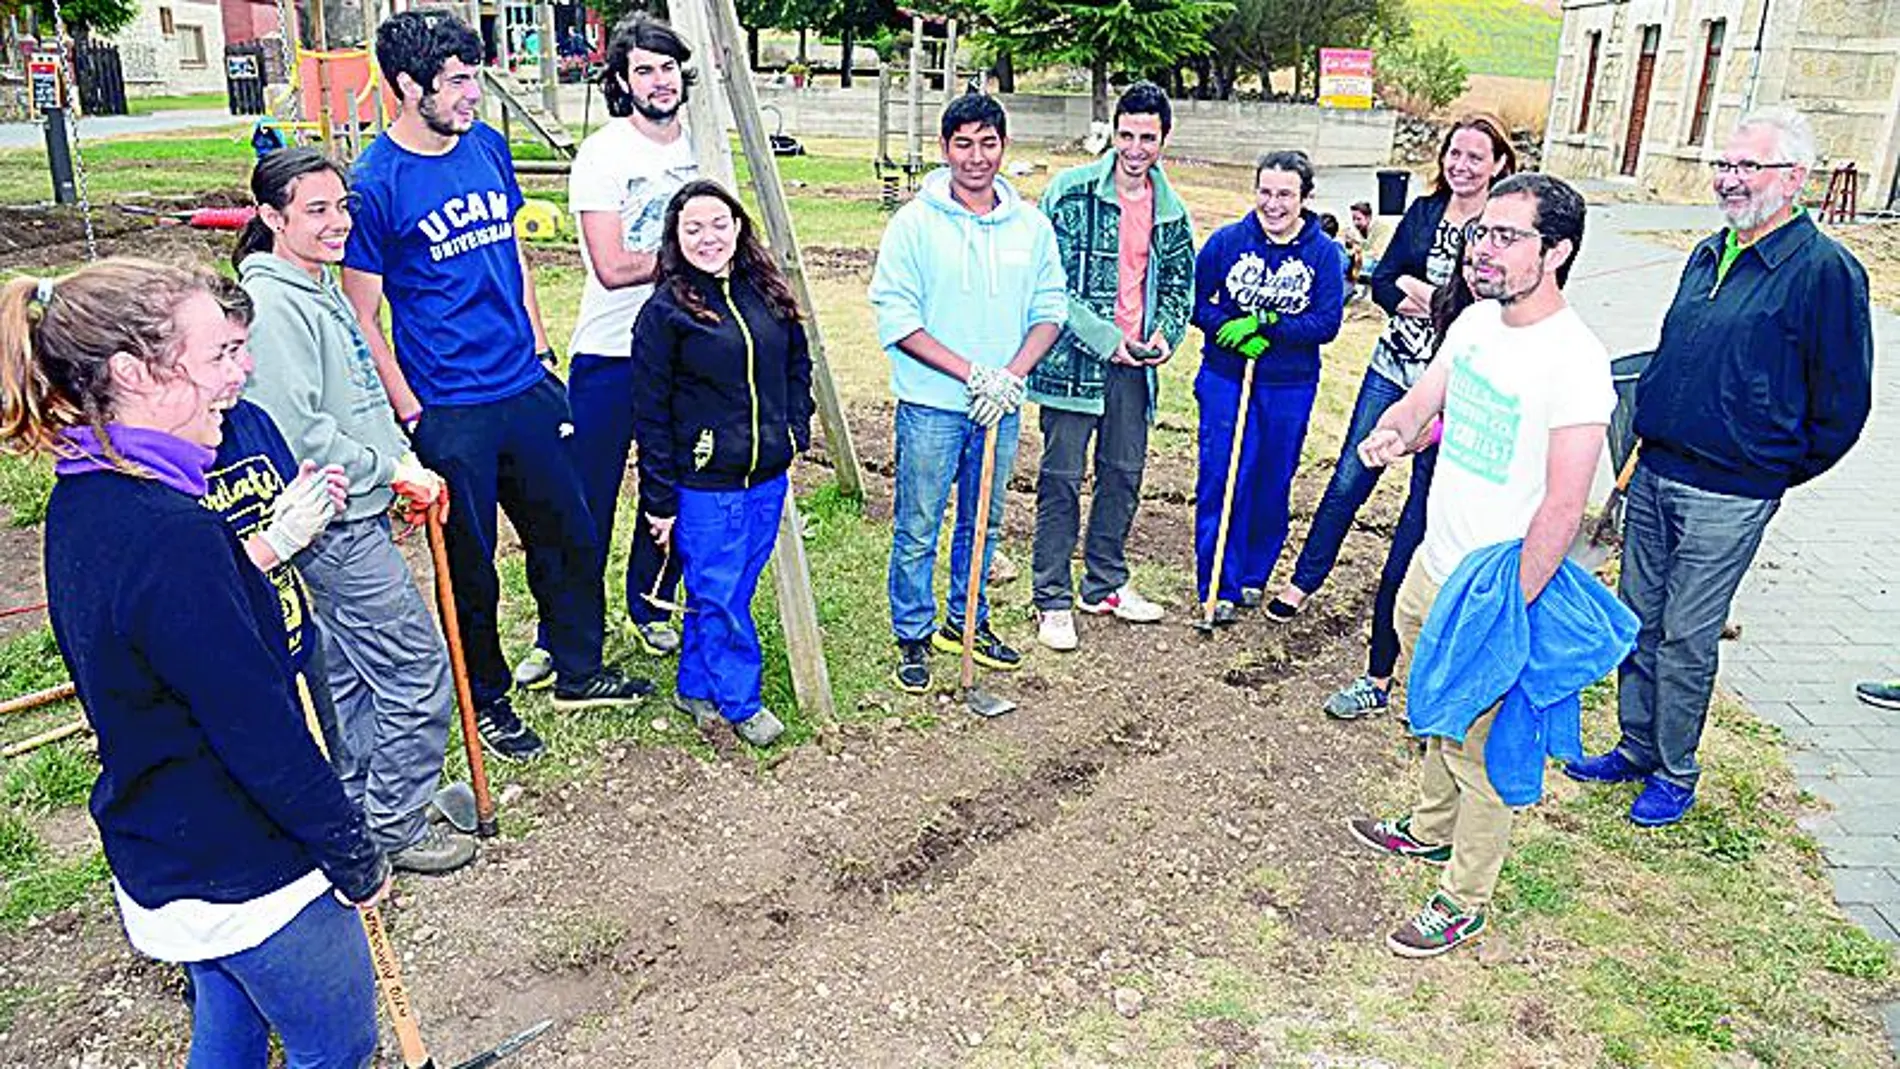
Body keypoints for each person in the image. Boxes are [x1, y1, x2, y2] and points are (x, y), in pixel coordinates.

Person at [2, 259, 388, 1065]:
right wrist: (351, 850)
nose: (241, 372)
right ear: (134, 373)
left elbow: (175, 648)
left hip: (166, 842)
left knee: (233, 1022)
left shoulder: (91, 492)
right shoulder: (170, 532)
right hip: (246, 866)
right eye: (218, 355)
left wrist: (266, 548)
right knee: (338, 1049)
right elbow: (257, 728)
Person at [343, 11, 651, 766]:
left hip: (525, 383)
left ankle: (579, 669)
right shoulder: (377, 184)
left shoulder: (486, 145)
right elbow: (361, 315)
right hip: (448, 406)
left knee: (571, 534)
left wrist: (540, 348)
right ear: (409, 86)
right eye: (456, 81)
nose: (473, 93)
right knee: (471, 567)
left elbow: (511, 248)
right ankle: (488, 701)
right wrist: (410, 409)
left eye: (474, 76)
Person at [1566, 108, 1873, 826]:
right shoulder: (1710, 249)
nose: (1730, 180)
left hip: (1730, 492)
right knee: (1638, 619)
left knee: (1687, 635)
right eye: (1725, 165)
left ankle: (1675, 771)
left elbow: (1843, 403)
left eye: (1748, 167)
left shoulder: (1825, 271)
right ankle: (1636, 745)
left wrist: (1767, 466)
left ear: (1794, 179)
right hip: (1655, 472)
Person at [1347, 174, 1614, 957]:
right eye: (1481, 233)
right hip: (1436, 564)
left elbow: (1566, 507)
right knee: (1433, 703)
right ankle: (1430, 828)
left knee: (1484, 749)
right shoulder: (1472, 328)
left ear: (1556, 251)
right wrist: (1394, 433)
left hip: (1498, 587)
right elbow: (1422, 402)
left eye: (1506, 236)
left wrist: (1513, 609)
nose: (1481, 249)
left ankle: (1464, 897)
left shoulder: (1576, 361)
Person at [232, 147, 475, 875]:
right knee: (413, 667)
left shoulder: (318, 286)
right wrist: (386, 466)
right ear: (273, 218)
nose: (337, 223)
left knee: (354, 671)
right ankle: (396, 826)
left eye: (342, 207)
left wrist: (392, 463)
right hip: (331, 522)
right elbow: (300, 432)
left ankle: (366, 804)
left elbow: (348, 402)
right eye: (316, 210)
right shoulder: (275, 305)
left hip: (357, 505)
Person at [1269, 115, 1516, 720]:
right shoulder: (1425, 211)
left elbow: (1478, 307)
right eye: (1454, 153)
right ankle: (1305, 579)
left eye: (1475, 157)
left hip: (1456, 388)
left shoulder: (1502, 230)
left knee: (1421, 513)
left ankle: (1386, 662)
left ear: (1499, 165)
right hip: (1393, 368)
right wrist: (1432, 296)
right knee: (1351, 476)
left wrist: (1431, 297)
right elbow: (1380, 282)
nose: (1461, 165)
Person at [519, 12, 698, 690]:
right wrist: (693, 254)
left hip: (686, 349)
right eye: (643, 70)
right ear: (623, 82)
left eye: (667, 66)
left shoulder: (706, 147)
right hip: (610, 353)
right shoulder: (605, 152)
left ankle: (650, 602)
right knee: (582, 499)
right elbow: (613, 265)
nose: (659, 80)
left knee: (673, 486)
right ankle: (558, 631)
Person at [868, 92, 1067, 694]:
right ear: (945, 148)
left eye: (987, 143)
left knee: (984, 524)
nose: (976, 157)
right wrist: (969, 373)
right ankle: (913, 633)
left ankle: (968, 620)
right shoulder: (915, 222)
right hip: (932, 404)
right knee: (919, 522)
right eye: (963, 143)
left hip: (1000, 405)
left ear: (1003, 147)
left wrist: (1009, 376)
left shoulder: (1031, 227)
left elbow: (1050, 308)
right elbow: (897, 317)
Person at [631, 180, 814, 747]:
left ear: (738, 227)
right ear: (675, 237)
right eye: (693, 228)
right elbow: (651, 414)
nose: (708, 238)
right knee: (721, 593)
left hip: (765, 475)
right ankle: (741, 700)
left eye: (719, 224)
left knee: (730, 589)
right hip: (705, 484)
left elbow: (796, 365)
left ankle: (694, 683)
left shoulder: (767, 293)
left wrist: (794, 430)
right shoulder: (664, 313)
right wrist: (659, 499)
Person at [1026, 81, 1194, 652]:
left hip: (1135, 367)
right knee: (1061, 480)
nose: (1136, 147)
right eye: (1127, 134)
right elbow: (1048, 283)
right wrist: (1104, 338)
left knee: (1123, 475)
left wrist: (1166, 335)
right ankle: (1051, 597)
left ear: (1164, 140)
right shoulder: (1068, 194)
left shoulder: (1172, 211)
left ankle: (1105, 583)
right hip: (1073, 363)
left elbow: (1178, 284)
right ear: (1112, 132)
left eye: (1148, 137)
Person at [1189, 150, 1346, 624]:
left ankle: (1255, 571)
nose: (1273, 204)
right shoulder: (1227, 242)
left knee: (1271, 479)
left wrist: (1269, 323)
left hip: (1288, 385)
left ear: (1304, 197)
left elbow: (1327, 322)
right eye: (1265, 191)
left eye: (1285, 194)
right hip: (1226, 378)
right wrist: (1227, 327)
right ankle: (1218, 583)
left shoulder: (1323, 255)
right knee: (1225, 473)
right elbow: (1196, 303)